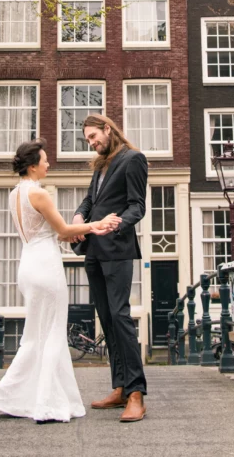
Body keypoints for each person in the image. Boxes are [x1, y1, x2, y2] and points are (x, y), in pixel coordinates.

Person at [0, 139, 120, 423]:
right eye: (45, 160)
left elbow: (54, 232)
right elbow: (62, 229)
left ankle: (12, 397)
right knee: (53, 333)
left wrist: (77, 230)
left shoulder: (14, 194)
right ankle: (46, 404)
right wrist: (97, 225)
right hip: (46, 267)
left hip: (28, 265)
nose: (49, 163)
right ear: (33, 166)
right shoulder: (39, 194)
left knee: (34, 335)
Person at [67, 114, 148, 423]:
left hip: (117, 248)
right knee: (106, 319)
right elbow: (90, 200)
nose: (92, 143)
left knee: (120, 316)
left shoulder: (133, 159)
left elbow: (137, 205)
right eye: (88, 140)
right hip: (93, 251)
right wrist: (78, 218)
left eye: (93, 136)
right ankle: (119, 387)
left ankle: (137, 394)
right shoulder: (101, 165)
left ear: (107, 129)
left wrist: (117, 223)